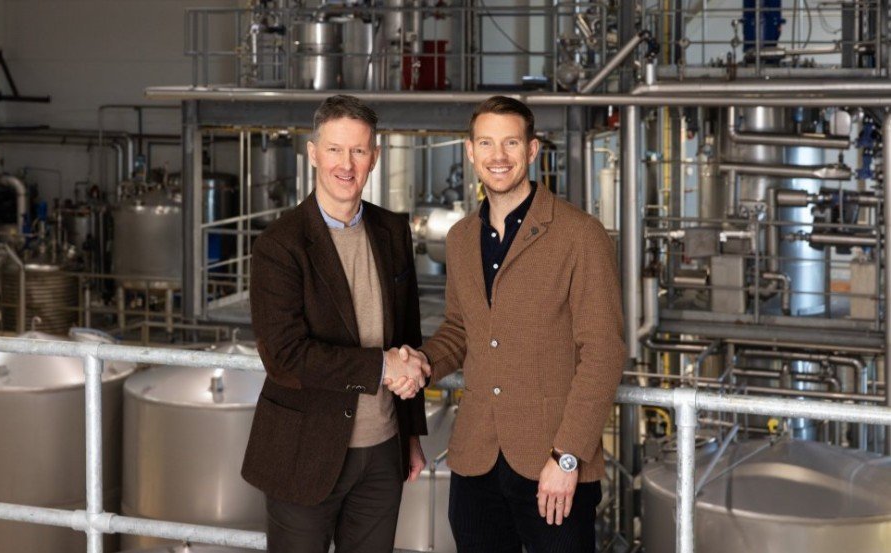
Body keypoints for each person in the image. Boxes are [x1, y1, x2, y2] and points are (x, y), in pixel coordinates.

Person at [394, 96, 626, 552]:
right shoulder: (461, 238)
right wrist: (421, 362)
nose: (498, 156)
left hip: (552, 463)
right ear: (470, 151)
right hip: (476, 460)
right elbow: (460, 329)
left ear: (532, 150)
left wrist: (566, 456)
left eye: (511, 143)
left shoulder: (580, 234)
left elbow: (603, 352)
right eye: (486, 143)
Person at [243, 94, 429, 553]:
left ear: (375, 157)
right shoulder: (280, 244)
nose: (346, 165)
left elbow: (408, 332)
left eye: (358, 151)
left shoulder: (392, 230)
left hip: (383, 451)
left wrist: (410, 434)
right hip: (304, 452)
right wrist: (382, 367)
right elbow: (285, 357)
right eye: (334, 150)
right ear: (313, 153)